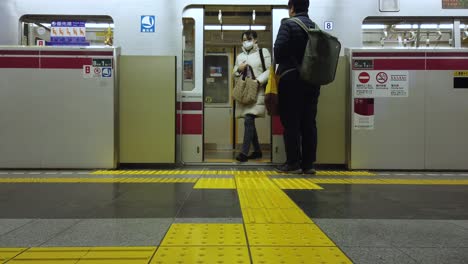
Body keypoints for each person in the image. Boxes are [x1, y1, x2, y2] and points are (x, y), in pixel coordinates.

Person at [274, 0, 320, 174]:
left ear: (291, 8)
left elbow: (278, 52)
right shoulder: (315, 27)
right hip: (312, 81)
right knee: (309, 123)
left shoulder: (288, 25)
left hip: (291, 80)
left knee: (291, 122)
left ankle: (293, 163)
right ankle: (308, 164)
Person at [233, 30, 271, 162]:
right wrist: (239, 69)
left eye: (249, 39)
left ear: (255, 40)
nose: (246, 41)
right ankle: (257, 151)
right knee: (249, 120)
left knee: (248, 118)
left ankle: (244, 152)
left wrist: (258, 81)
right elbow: (234, 74)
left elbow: (270, 70)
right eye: (244, 39)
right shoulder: (239, 56)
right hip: (245, 91)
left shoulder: (263, 52)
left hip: (258, 90)